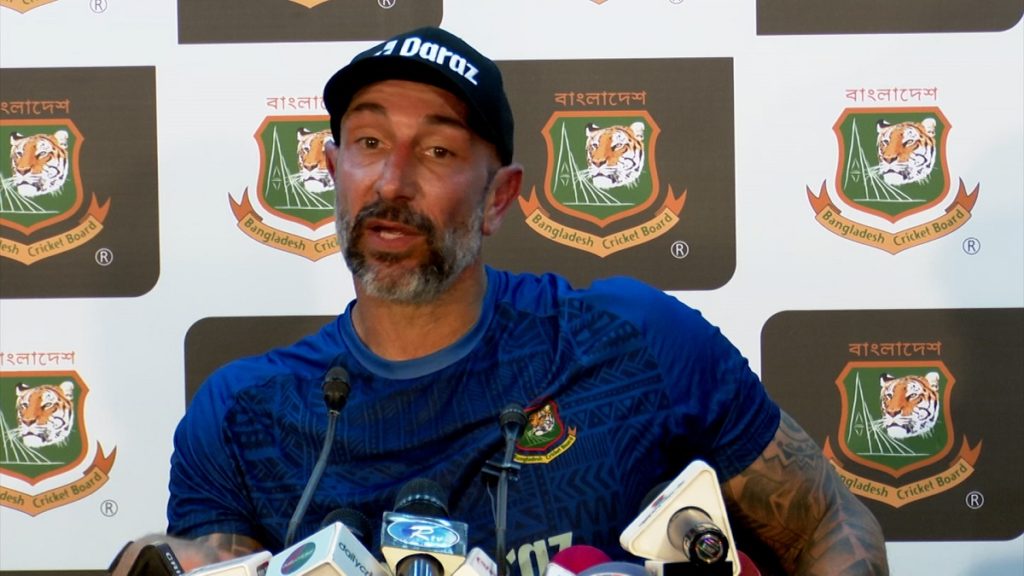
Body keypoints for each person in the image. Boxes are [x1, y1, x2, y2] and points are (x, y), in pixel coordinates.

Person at [111, 26, 888, 576]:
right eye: (369, 143)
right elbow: (201, 561)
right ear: (333, 169)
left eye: (438, 151)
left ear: (499, 197)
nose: (392, 182)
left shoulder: (633, 340)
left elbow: (827, 524)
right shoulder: (243, 414)